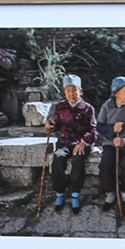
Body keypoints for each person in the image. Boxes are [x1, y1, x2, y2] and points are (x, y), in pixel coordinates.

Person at [45, 75, 95, 214]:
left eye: (74, 90)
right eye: (68, 91)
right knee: (58, 158)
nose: (71, 94)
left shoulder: (88, 108)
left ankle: (75, 194)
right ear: (64, 92)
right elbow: (56, 124)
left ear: (80, 91)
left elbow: (93, 130)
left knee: (78, 160)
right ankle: (60, 193)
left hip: (81, 142)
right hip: (64, 141)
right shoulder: (61, 107)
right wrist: (50, 126)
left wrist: (84, 142)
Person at [95, 76, 125, 210]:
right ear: (116, 93)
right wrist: (112, 130)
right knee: (106, 162)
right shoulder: (107, 106)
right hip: (111, 143)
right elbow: (99, 126)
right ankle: (110, 193)